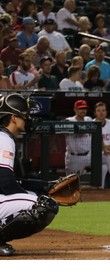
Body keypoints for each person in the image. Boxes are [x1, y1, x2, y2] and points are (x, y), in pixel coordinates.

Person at [0, 93, 59, 256]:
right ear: (13, 117)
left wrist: (42, 187)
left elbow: (11, 181)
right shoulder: (3, 139)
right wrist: (38, 196)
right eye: (24, 115)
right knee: (45, 205)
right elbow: (5, 182)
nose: (27, 119)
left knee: (38, 198)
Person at [64, 99, 92, 175]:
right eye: (81, 108)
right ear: (75, 110)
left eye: (85, 108)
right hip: (74, 157)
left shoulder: (89, 119)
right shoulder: (69, 120)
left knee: (106, 162)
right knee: (72, 183)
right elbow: (64, 123)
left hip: (89, 156)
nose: (83, 110)